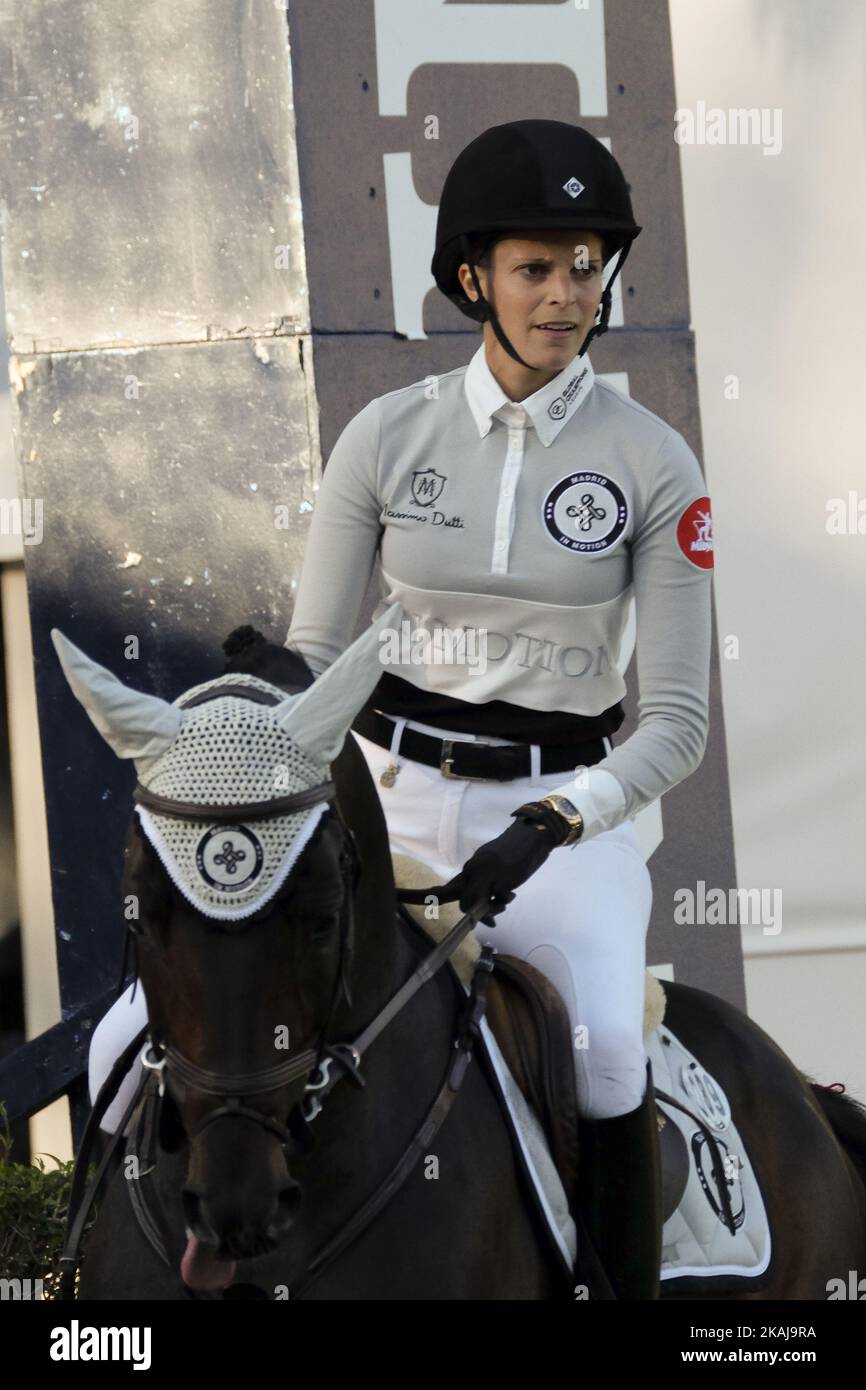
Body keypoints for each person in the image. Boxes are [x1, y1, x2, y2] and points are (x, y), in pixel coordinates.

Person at [284, 120, 715, 1299]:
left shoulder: (652, 460)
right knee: (182, 1024)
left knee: (607, 1046)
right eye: (536, 266)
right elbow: (314, 657)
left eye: (586, 265)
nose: (566, 293)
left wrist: (563, 817)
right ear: (472, 276)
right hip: (383, 798)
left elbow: (674, 721)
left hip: (556, 811)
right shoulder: (384, 435)